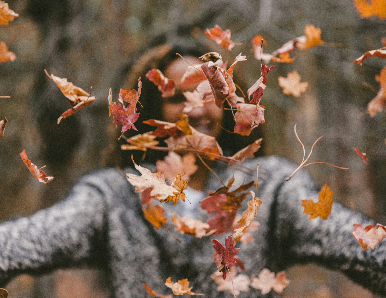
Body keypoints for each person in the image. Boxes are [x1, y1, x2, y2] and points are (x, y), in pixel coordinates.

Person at [0, 35, 385, 298]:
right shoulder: (114, 196)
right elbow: (24, 242)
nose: (195, 109)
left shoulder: (269, 188)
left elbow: (358, 246)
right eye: (176, 98)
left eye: (208, 94)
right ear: (151, 112)